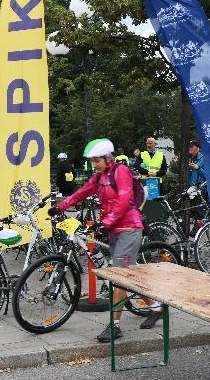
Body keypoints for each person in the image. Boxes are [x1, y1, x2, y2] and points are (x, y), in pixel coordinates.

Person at [48, 138, 164, 342]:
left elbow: (124, 200)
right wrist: (60, 206)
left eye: (97, 161)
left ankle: (115, 326)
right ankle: (156, 307)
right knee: (127, 275)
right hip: (113, 230)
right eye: (92, 161)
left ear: (107, 157)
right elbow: (82, 192)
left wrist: (106, 222)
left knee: (118, 277)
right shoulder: (100, 176)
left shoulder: (121, 172)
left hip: (129, 228)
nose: (94, 165)